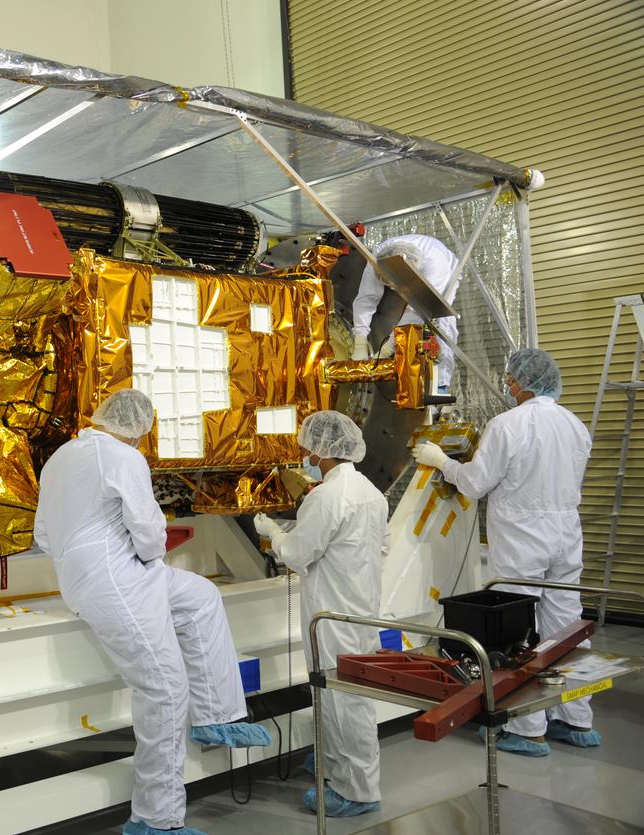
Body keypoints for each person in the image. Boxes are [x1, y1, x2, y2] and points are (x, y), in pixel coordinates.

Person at [34, 389, 271, 835]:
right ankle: (155, 819)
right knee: (164, 688)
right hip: (119, 580)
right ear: (138, 429)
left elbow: (43, 534)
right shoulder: (123, 457)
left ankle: (216, 716)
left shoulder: (61, 458)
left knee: (201, 597)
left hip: (92, 577)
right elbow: (147, 529)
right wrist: (144, 554)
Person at [412, 348, 597, 756]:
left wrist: (441, 461)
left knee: (517, 631)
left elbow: (475, 483)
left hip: (521, 538)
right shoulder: (574, 424)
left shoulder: (507, 425)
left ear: (523, 383)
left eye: (512, 380)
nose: (510, 387)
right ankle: (576, 719)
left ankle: (526, 728)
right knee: (566, 626)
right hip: (566, 534)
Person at [253, 411, 386, 818]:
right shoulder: (370, 491)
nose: (306, 456)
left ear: (322, 450)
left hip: (332, 616)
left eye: (309, 448)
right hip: (360, 608)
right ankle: (335, 763)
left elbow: (297, 555)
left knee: (344, 701)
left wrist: (273, 533)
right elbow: (378, 546)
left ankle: (357, 791)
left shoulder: (326, 497)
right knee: (344, 695)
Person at [352, 233, 458, 392]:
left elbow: (417, 311)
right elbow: (366, 297)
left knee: (441, 319)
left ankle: (440, 385)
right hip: (402, 263)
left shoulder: (436, 267)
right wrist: (359, 341)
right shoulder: (378, 257)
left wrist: (388, 347)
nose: (391, 288)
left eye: (392, 284)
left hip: (446, 269)